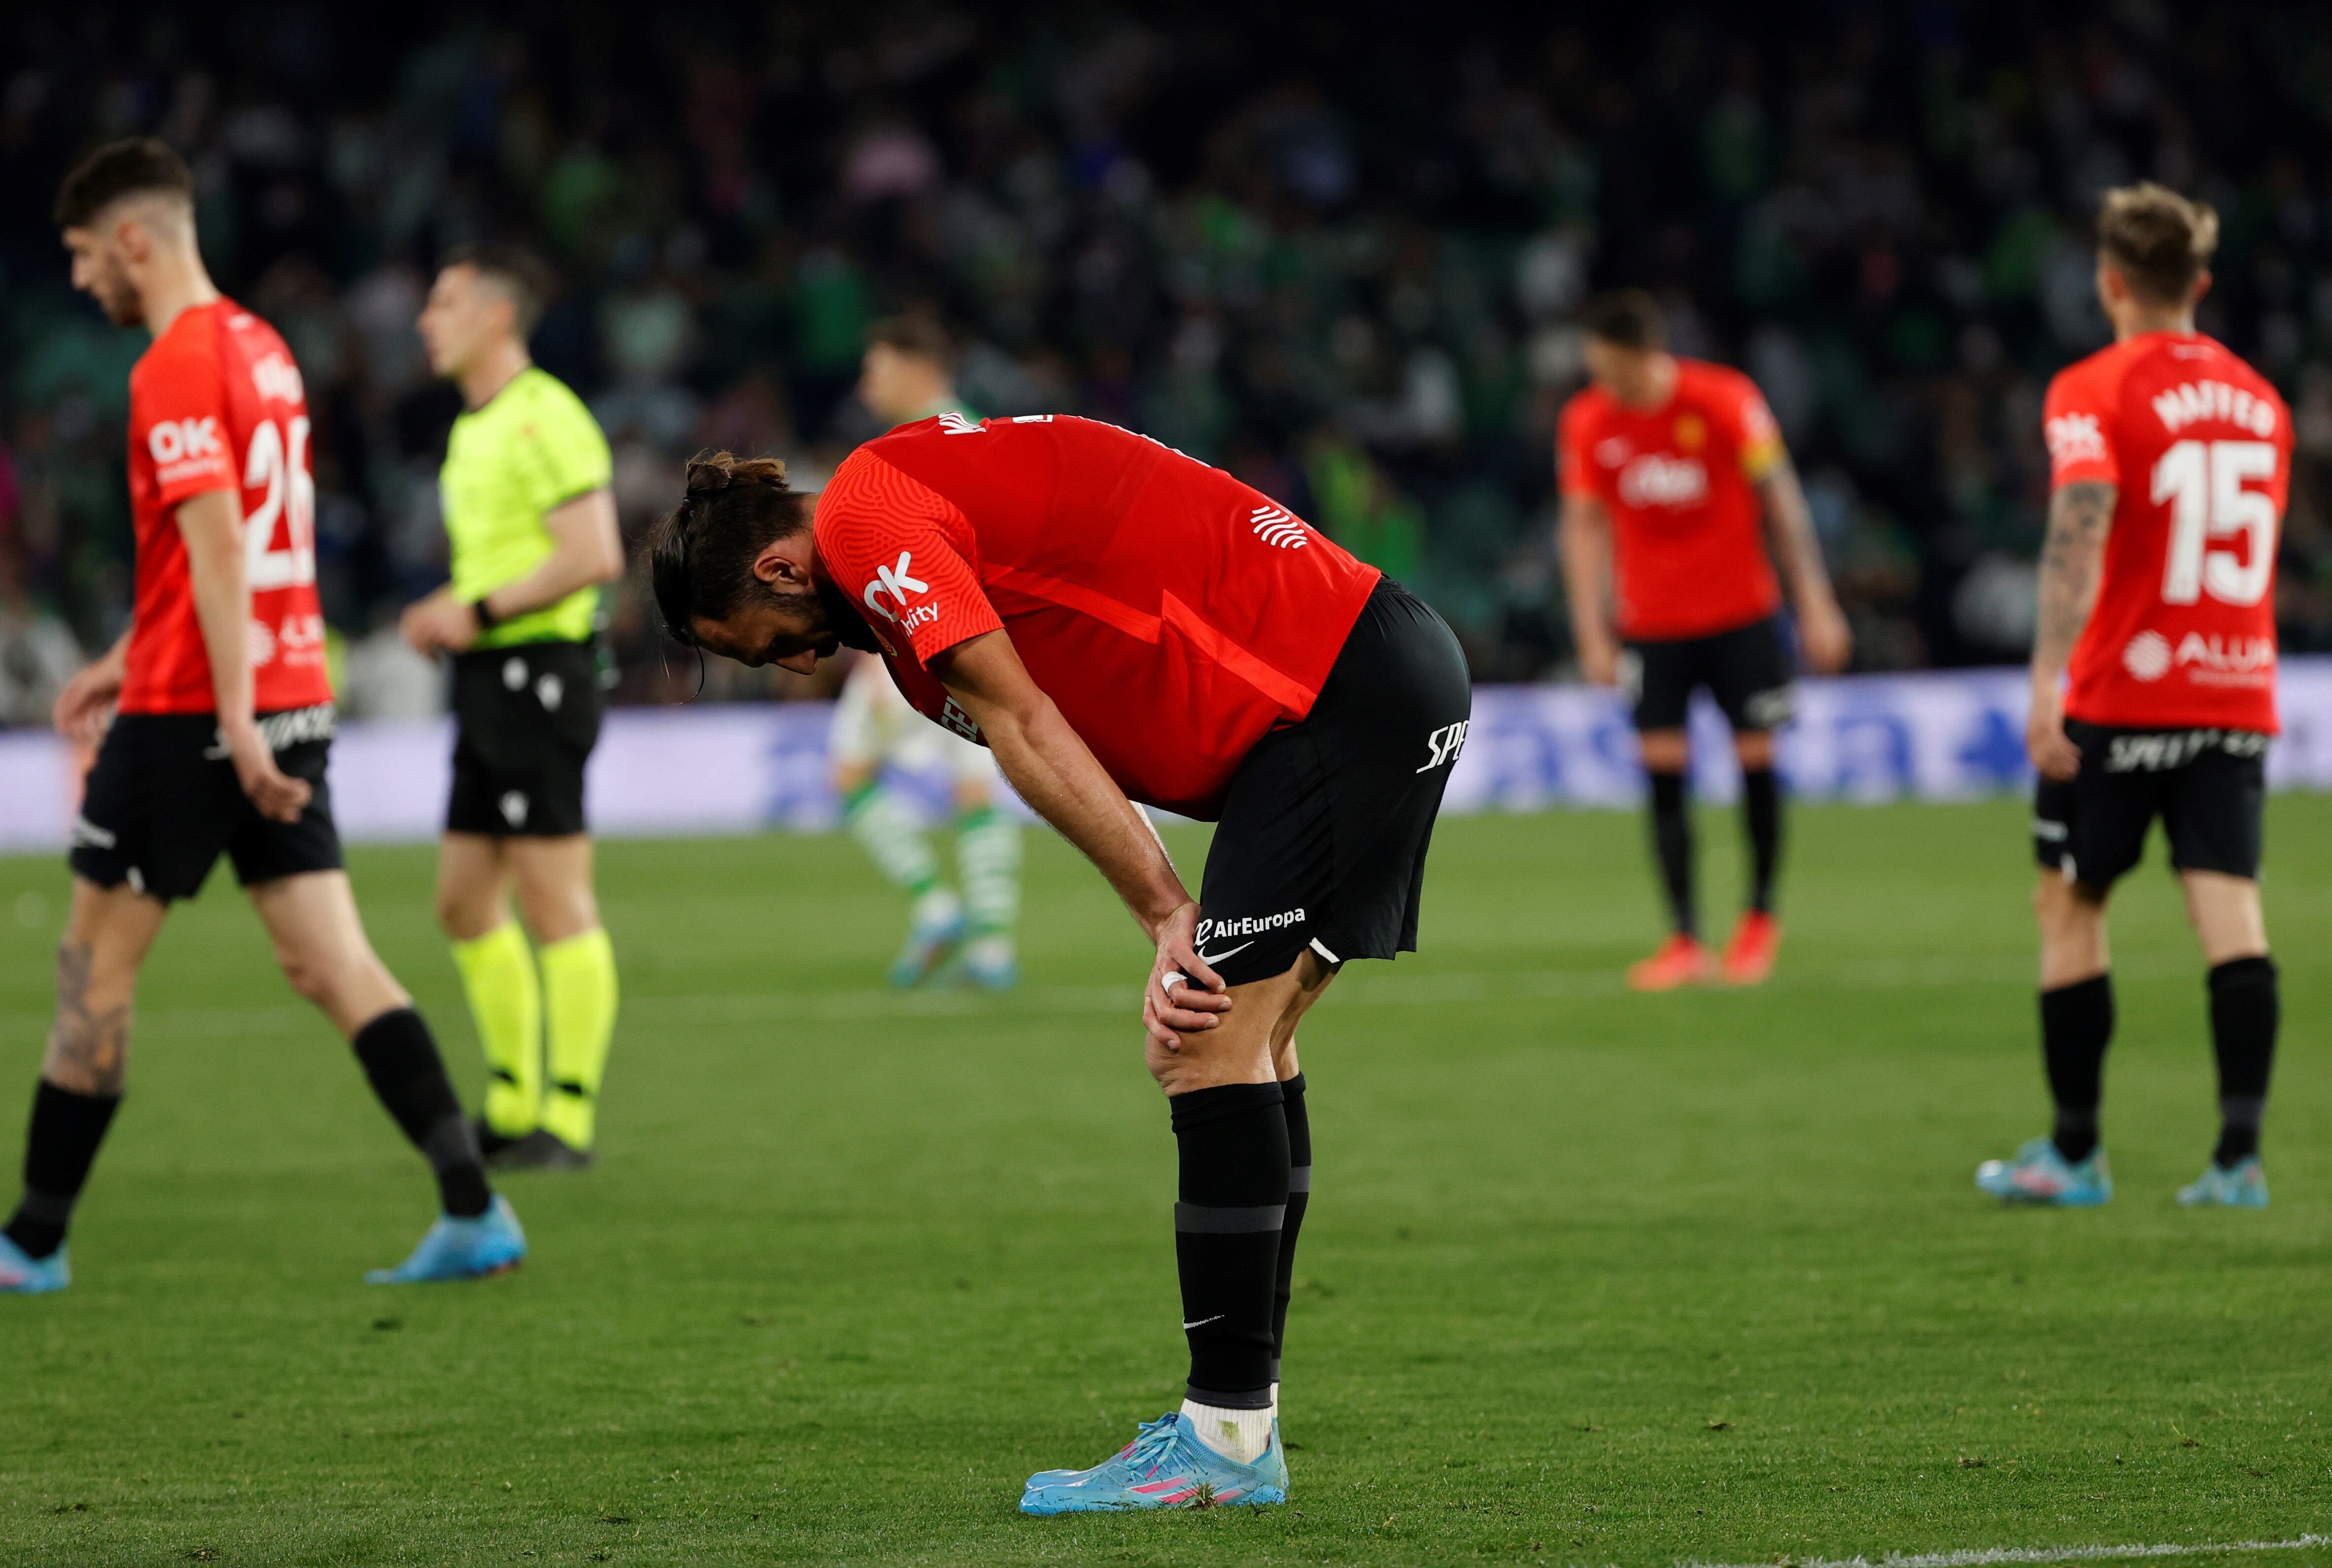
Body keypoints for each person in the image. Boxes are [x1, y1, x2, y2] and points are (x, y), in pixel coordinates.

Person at [645, 416, 1471, 1512]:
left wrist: (1168, 911)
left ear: (779, 565)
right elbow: (1065, 733)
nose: (799, 661)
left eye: (772, 637)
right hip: (1371, 676)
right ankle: (1241, 1420)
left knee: (1200, 1045)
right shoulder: (901, 610)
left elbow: (1027, 722)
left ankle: (1225, 1439)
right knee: (1251, 1043)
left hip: (1330, 698)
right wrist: (1178, 907)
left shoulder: (863, 518)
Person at [0, 139, 525, 1295]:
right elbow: (235, 553)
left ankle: (30, 1243)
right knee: (332, 962)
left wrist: (219, 714)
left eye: (87, 257)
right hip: (285, 691)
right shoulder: (262, 348)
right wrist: (126, 654)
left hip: (200, 713)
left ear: (134, 239)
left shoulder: (174, 364)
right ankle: (474, 1208)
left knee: (93, 972)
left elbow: (222, 543)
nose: (83, 281)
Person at [1977, 183, 2289, 1210]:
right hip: (2234, 688)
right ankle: (2237, 1162)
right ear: (2199, 283)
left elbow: (2082, 528)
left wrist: (2044, 682)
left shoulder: (2093, 387)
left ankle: (2075, 1156)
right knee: (2231, 916)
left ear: (2110, 284)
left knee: (2070, 905)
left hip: (2122, 693)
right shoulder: (2263, 402)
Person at [1557, 290, 1852, 990]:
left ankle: (1757, 920)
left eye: (1613, 369)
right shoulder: (1588, 420)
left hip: (1741, 616)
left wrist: (1816, 604)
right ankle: (1685, 936)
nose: (1606, 384)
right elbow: (1583, 527)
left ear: (1646, 354)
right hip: (1652, 625)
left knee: (1756, 761)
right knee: (1663, 772)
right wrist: (1591, 631)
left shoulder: (1724, 400)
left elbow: (1782, 502)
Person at [403, 247, 625, 1170]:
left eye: (444, 302)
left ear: (498, 316)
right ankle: (508, 1101)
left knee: (554, 899)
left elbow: (595, 553)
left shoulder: (545, 415)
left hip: (539, 672)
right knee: (460, 902)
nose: (425, 319)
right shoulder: (475, 426)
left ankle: (564, 1120)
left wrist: (476, 609)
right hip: (490, 678)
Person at [832, 315, 1021, 988]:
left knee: (851, 775)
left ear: (918, 368)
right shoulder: (975, 432)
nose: (866, 383)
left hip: (921, 638)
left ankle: (941, 909)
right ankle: (991, 943)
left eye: (876, 368)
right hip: (972, 634)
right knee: (973, 786)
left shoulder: (917, 446)